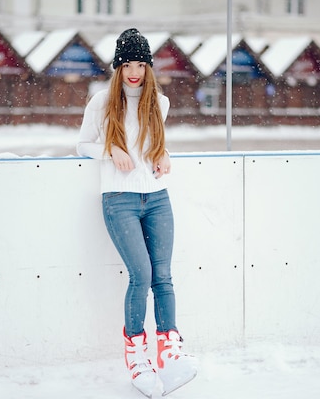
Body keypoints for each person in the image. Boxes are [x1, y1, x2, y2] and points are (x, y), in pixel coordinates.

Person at [77, 28, 197, 397]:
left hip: (157, 197)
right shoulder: (102, 102)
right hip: (120, 198)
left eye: (140, 63)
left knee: (163, 276)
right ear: (118, 66)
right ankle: (136, 355)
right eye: (127, 63)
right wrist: (109, 151)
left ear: (148, 67)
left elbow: (154, 148)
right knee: (141, 275)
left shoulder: (158, 102)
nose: (133, 71)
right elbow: (81, 144)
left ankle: (170, 354)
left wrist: (164, 156)